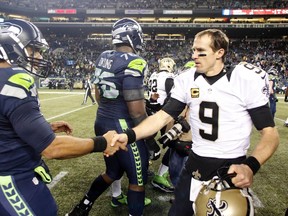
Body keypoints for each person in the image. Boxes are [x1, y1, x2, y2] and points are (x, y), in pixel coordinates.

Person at [111, 29, 279, 215]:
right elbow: (162, 116)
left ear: (219, 53)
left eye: (201, 51)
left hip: (231, 167)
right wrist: (129, 136)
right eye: (193, 50)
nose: (194, 55)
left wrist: (250, 166)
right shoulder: (187, 78)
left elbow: (270, 133)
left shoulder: (243, 79)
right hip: (195, 164)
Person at [0, 19, 125, 216]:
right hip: (10, 179)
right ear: (10, 47)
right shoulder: (15, 81)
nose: (39, 56)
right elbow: (52, 148)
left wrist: (44, 128)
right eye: (34, 50)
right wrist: (102, 142)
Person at [67, 18, 153, 216]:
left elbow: (98, 94)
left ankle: (83, 206)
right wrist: (149, 138)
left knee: (112, 172)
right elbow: (137, 111)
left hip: (103, 119)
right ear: (132, 37)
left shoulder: (104, 56)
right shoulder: (135, 61)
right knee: (137, 180)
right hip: (123, 125)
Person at [146, 57, 176, 193]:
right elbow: (172, 97)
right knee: (174, 144)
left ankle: (143, 169)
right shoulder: (169, 77)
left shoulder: (153, 75)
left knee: (146, 142)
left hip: (150, 112)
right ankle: (161, 175)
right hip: (162, 115)